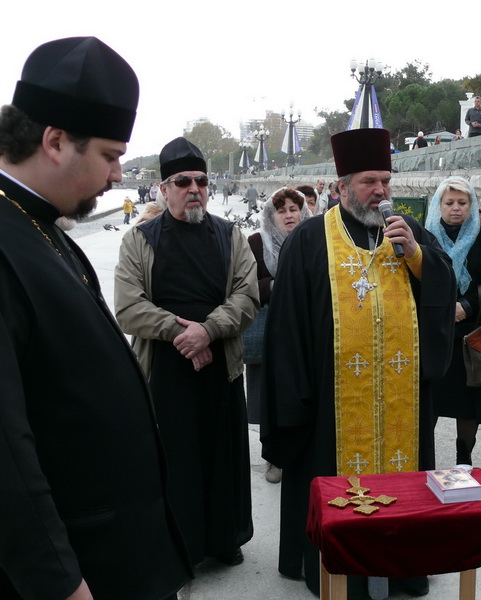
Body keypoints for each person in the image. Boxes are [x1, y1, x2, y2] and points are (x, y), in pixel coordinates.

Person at [0, 36, 190, 600]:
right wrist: (61, 583)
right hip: (81, 572)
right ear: (55, 141)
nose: (116, 176)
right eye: (110, 155)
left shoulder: (41, 227)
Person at [260, 128, 456, 599]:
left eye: (386, 180)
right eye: (369, 181)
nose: (381, 191)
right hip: (331, 408)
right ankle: (338, 572)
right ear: (341, 185)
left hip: (400, 406)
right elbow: (285, 330)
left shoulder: (408, 234)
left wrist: (417, 257)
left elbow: (444, 289)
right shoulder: (308, 240)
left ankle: (401, 567)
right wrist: (294, 402)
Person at [115, 137, 260, 568]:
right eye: (183, 181)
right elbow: (128, 306)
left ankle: (224, 538)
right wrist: (184, 335)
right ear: (164, 188)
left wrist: (209, 331)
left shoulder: (229, 236)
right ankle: (180, 546)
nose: (194, 188)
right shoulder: (139, 240)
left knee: (222, 455)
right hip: (165, 370)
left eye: (201, 180)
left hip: (221, 367)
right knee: (175, 460)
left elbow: (246, 296)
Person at [426, 176, 481, 465]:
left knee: (470, 401)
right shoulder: (426, 235)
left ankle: (463, 458)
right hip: (436, 332)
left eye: (462, 202)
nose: (455, 208)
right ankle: (425, 458)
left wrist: (466, 307)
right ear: (439, 204)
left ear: (472, 205)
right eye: (449, 203)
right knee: (429, 399)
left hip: (472, 334)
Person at [246, 187, 311, 485]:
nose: (288, 215)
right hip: (270, 331)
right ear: (270, 216)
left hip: (305, 331)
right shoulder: (256, 242)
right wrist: (275, 285)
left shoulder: (313, 238)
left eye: (293, 209)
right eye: (281, 210)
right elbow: (244, 288)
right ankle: (272, 455)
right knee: (269, 396)